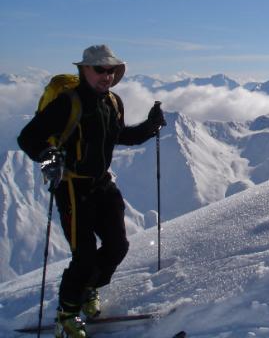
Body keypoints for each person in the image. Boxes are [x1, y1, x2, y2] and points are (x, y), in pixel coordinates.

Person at [18, 45, 165, 338]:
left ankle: (87, 290)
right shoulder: (67, 104)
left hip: (102, 185)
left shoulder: (112, 101)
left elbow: (119, 135)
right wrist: (48, 155)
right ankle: (67, 314)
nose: (106, 76)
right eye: (99, 69)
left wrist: (150, 126)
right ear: (83, 70)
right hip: (72, 187)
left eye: (110, 70)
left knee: (117, 246)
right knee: (83, 256)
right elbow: (28, 137)